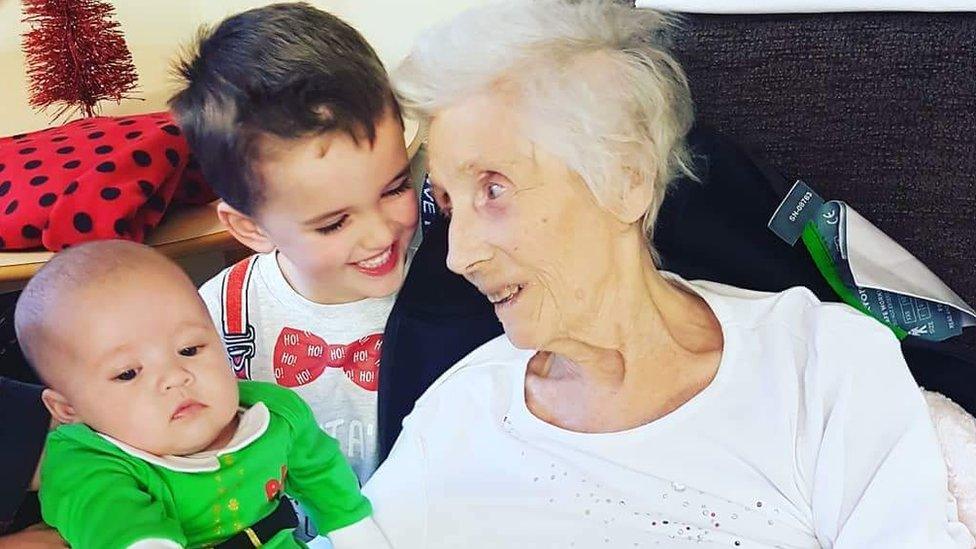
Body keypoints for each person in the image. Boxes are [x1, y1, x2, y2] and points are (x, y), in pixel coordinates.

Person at [363, 1, 974, 547]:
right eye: (446, 207)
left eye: (494, 189)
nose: (458, 254)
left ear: (626, 179)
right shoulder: (455, 415)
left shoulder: (821, 366)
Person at [169, 2, 419, 484]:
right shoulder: (218, 317)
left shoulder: (450, 272)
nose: (381, 233)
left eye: (395, 188)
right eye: (333, 224)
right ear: (251, 229)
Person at [13, 240, 389, 548]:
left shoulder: (273, 413)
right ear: (68, 408)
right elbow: (109, 517)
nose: (175, 377)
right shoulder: (85, 462)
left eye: (190, 349)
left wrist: (355, 531)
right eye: (128, 373)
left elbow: (322, 475)